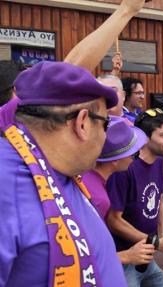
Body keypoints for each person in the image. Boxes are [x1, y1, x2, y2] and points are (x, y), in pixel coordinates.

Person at [0, 61, 127, 286]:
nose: (105, 137)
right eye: (105, 125)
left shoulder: (62, 170)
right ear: (83, 124)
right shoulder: (6, 181)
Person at [106, 108, 163, 287]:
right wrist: (156, 242)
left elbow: (159, 202)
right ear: (144, 138)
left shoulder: (158, 162)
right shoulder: (125, 168)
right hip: (125, 259)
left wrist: (160, 239)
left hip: (147, 258)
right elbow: (113, 220)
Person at [82, 116, 155, 265]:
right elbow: (84, 251)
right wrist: (126, 256)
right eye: (133, 155)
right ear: (115, 160)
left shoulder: (87, 176)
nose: (135, 159)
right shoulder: (98, 198)